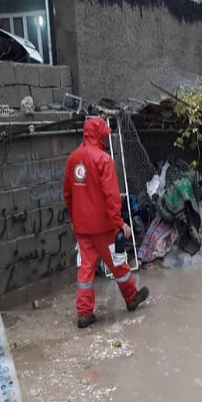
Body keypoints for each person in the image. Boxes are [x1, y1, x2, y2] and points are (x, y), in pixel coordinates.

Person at [63, 117, 149, 329]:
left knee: (85, 270)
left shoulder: (73, 159)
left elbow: (67, 195)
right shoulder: (103, 159)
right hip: (103, 227)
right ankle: (131, 298)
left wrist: (76, 220)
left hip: (82, 228)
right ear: (101, 134)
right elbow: (112, 197)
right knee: (118, 263)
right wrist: (120, 223)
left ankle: (84, 313)